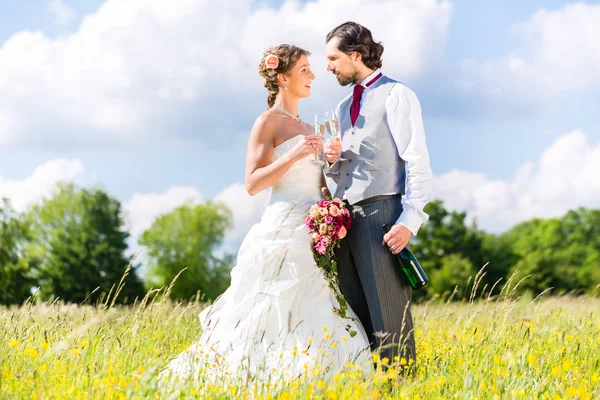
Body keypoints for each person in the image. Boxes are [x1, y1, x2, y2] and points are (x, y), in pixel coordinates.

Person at [157, 44, 371, 388]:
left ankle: (314, 383)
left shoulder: (307, 124)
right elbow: (253, 183)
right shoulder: (267, 122)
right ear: (283, 78)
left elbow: (320, 185)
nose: (313, 75)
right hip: (282, 229)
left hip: (311, 235)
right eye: (304, 70)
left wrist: (331, 165)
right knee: (267, 312)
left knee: (315, 310)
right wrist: (295, 154)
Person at [322, 22, 434, 368]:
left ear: (356, 55)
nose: (329, 66)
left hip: (383, 216)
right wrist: (331, 161)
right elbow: (343, 172)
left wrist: (409, 221)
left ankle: (402, 388)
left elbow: (418, 162)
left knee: (389, 321)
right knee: (355, 320)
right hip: (345, 221)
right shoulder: (342, 108)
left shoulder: (397, 95)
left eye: (333, 57)